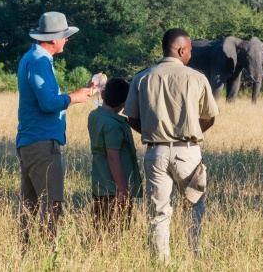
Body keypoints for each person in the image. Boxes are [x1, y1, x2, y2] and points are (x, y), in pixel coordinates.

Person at [124, 28, 219, 262]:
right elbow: (210, 116)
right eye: (189, 51)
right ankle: (193, 257)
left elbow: (132, 118)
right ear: (181, 50)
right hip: (188, 152)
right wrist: (193, 132)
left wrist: (152, 131)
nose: (190, 55)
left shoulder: (142, 77)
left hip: (155, 151)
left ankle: (161, 262)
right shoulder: (196, 77)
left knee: (158, 212)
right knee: (194, 207)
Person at [16, 11, 96, 243]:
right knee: (53, 205)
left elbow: (47, 97)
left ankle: (26, 252)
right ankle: (48, 254)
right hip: (42, 144)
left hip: (31, 141)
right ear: (52, 39)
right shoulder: (39, 61)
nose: (66, 40)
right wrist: (74, 98)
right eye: (64, 36)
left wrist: (83, 92)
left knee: (30, 205)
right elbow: (48, 103)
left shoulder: (33, 59)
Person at [88, 77, 143, 232]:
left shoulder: (94, 116)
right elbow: (113, 157)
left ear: (103, 95)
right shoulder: (114, 126)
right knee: (115, 230)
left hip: (99, 183)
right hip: (114, 190)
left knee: (100, 228)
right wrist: (123, 189)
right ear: (124, 104)